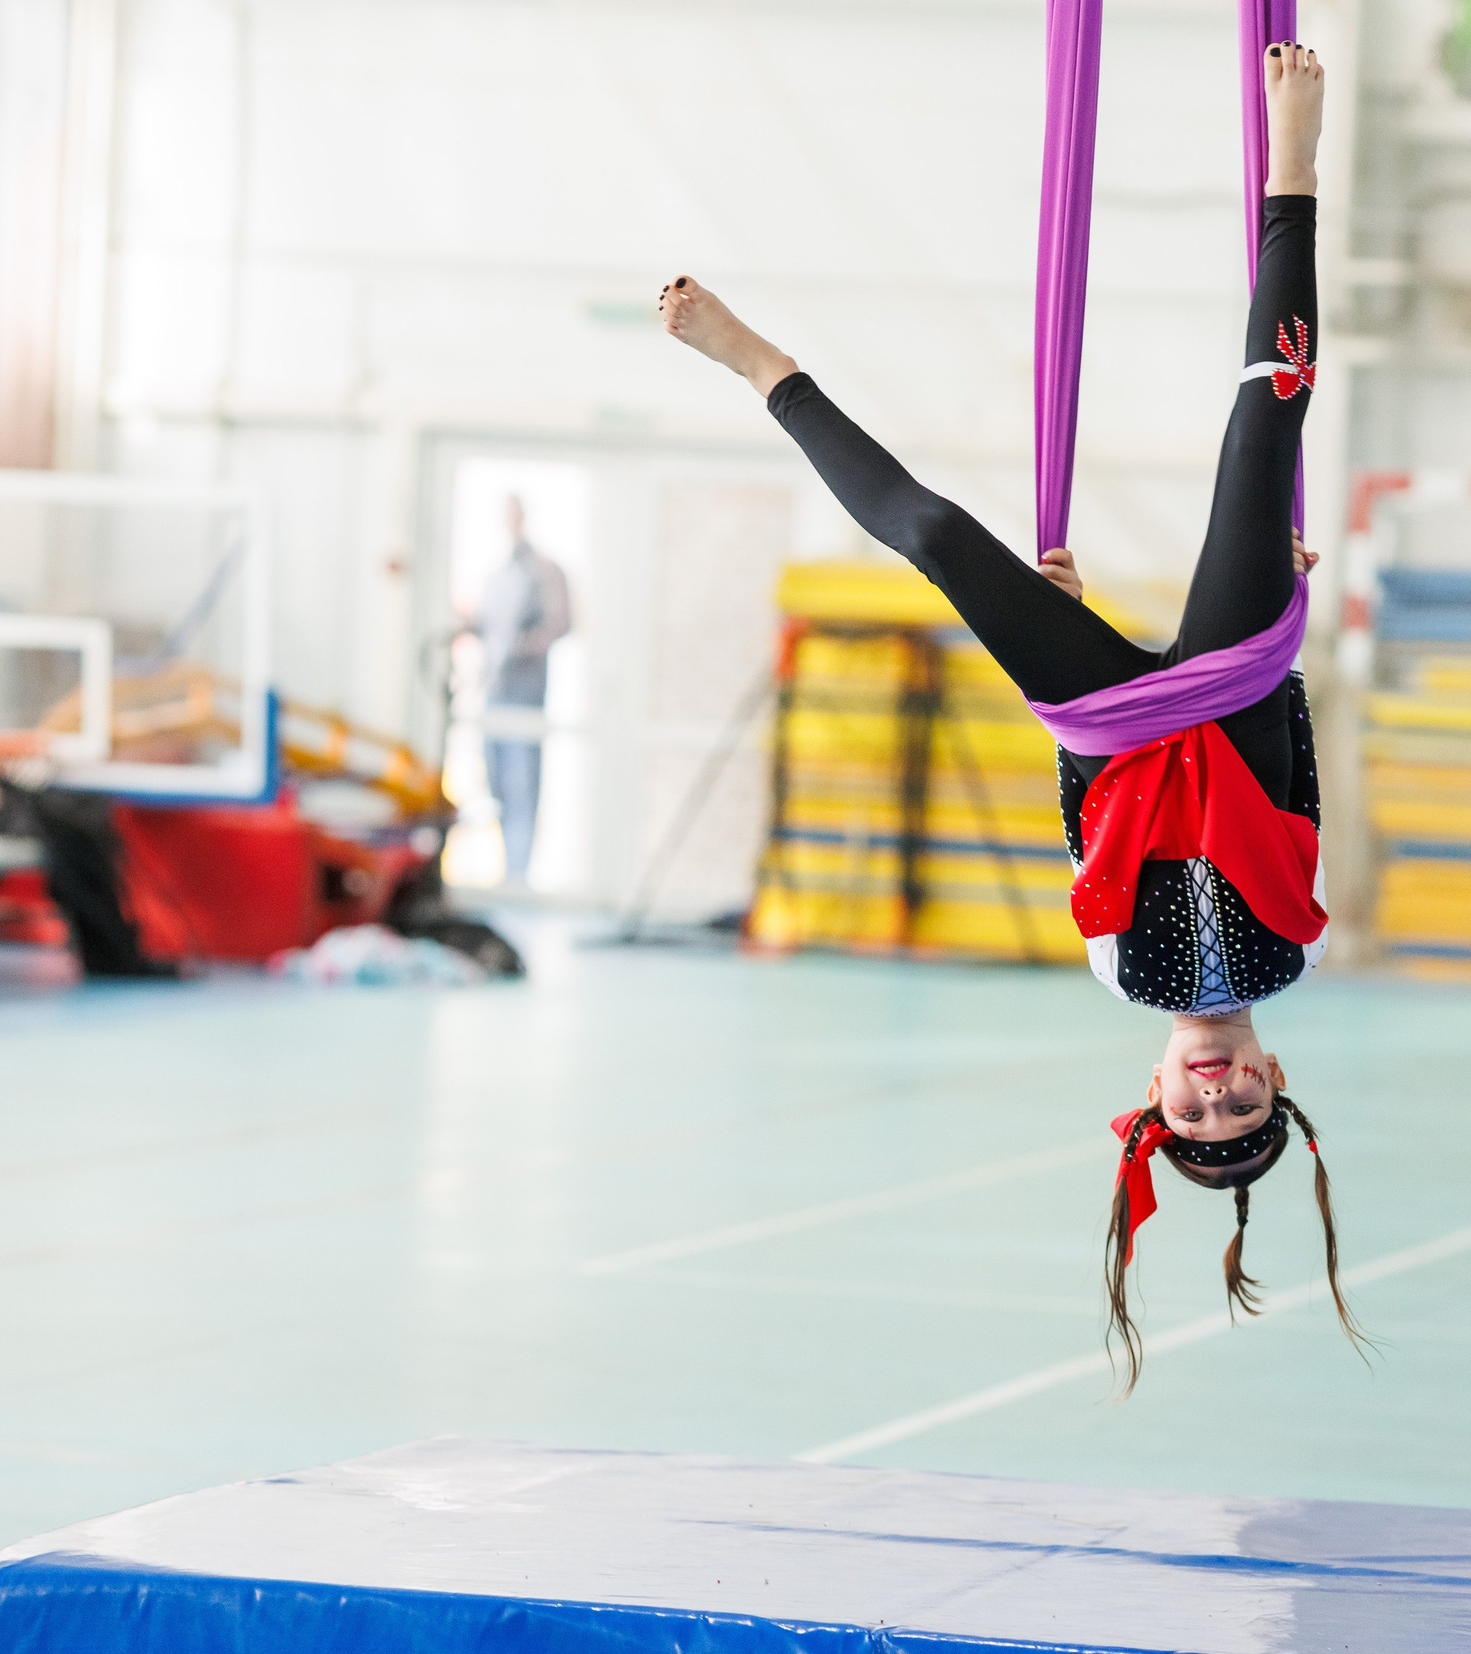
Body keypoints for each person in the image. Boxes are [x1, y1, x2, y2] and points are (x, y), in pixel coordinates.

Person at [655, 44, 1360, 1387]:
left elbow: (1088, 830)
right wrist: (1292, 632)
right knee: (1265, 423)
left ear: (1155, 1099)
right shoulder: (1288, 963)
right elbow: (1302, 794)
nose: (1217, 1088)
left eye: (1196, 1108)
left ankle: (761, 370)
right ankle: (1293, 169)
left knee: (930, 535)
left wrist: (1066, 645)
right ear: (1273, 1073)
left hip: (1111, 728)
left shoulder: (1120, 977)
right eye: (1246, 1098)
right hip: (1235, 685)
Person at [476, 496, 572, 886]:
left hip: (525, 692)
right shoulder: (498, 573)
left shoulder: (545, 571)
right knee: (496, 782)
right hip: (494, 690)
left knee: (522, 783)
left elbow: (560, 623)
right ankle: (504, 867)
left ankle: (518, 875)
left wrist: (520, 646)